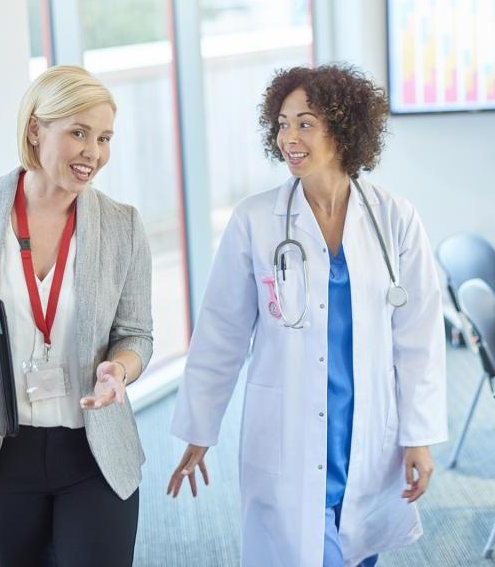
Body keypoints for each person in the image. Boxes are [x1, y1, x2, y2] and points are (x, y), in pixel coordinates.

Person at [168, 64, 447, 566]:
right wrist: (199, 427)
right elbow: (221, 333)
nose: (288, 138)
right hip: (288, 427)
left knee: (356, 547)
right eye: (281, 123)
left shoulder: (393, 218)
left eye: (304, 123)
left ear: (341, 129)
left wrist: (418, 437)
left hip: (364, 427)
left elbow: (420, 338)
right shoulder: (255, 220)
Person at [0, 65, 153, 567]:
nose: (93, 153)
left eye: (103, 138)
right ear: (36, 129)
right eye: (78, 133)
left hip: (94, 453)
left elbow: (136, 334)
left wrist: (118, 370)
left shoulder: (122, 225)